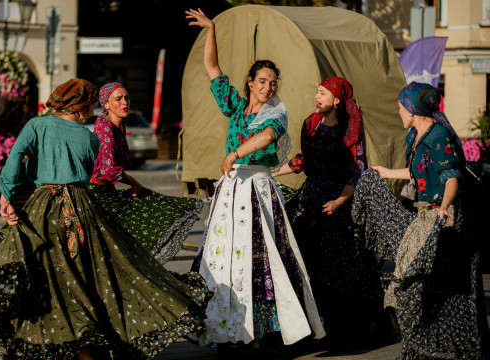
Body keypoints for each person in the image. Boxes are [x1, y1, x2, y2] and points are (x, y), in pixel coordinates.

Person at [0, 78, 211, 360]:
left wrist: (7, 196)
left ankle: (66, 338)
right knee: (93, 274)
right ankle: (90, 338)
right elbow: (85, 172)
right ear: (80, 108)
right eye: (90, 106)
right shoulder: (88, 137)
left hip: (44, 209)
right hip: (84, 209)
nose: (92, 112)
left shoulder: (36, 125)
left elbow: (15, 161)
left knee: (44, 274)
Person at [185, 8, 324, 354]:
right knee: (223, 260)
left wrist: (234, 154)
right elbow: (213, 69)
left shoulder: (276, 112)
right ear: (250, 82)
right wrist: (212, 29)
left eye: (272, 82)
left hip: (257, 190)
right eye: (262, 81)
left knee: (260, 261)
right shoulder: (235, 106)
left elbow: (264, 139)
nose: (268, 87)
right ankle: (226, 329)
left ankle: (260, 331)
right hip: (231, 192)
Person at [351, 81, 490, 359]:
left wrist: (445, 206)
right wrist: (386, 173)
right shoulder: (417, 136)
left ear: (413, 110)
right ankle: (422, 344)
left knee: (420, 282)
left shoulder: (439, 137)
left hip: (443, 218)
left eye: (401, 108)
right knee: (422, 283)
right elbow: (420, 174)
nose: (399, 112)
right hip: (425, 215)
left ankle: (433, 344)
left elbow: (451, 177)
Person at [272, 77, 391, 345]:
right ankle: (311, 325)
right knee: (304, 258)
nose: (317, 96)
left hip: (339, 202)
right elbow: (304, 160)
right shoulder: (311, 123)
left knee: (341, 265)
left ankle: (349, 328)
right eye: (317, 91)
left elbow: (357, 170)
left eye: (323, 93)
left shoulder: (349, 129)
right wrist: (269, 173)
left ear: (337, 100)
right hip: (312, 197)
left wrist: (339, 201)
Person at [89, 82, 204, 264]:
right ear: (106, 104)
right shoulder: (104, 127)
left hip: (107, 191)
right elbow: (107, 169)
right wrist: (133, 182)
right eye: (118, 99)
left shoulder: (119, 127)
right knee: (154, 208)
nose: (124, 102)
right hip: (97, 194)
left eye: (126, 97)